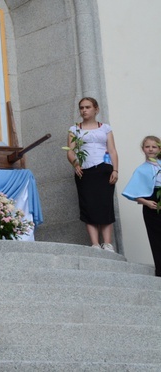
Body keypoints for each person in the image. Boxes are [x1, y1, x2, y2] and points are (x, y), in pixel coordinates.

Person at [66, 97, 118, 251]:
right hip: (85, 171)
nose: (84, 110)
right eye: (81, 108)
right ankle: (95, 244)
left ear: (96, 109)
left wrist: (115, 169)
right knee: (88, 205)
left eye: (88, 107)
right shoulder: (74, 129)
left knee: (105, 205)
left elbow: (113, 150)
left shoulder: (105, 128)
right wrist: (76, 164)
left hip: (104, 169)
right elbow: (70, 151)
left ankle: (107, 243)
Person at [122, 136, 161, 275]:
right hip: (151, 204)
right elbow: (132, 192)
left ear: (159, 149)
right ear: (143, 149)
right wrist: (146, 202)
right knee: (156, 237)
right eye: (147, 146)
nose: (151, 149)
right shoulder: (141, 169)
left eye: (154, 147)